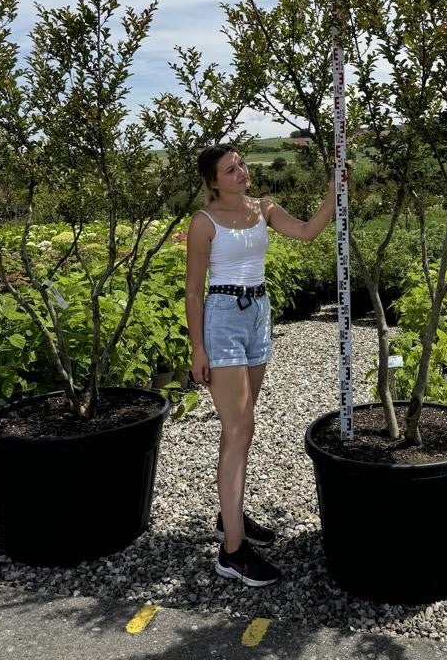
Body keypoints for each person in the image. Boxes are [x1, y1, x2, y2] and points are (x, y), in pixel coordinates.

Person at [186, 143, 337, 586]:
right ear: (213, 181)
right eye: (230, 169)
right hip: (223, 318)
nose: (241, 171)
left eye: (242, 164)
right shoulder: (204, 223)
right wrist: (199, 349)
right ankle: (231, 551)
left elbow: (308, 231)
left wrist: (333, 193)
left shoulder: (263, 208)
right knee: (240, 429)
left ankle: (229, 517)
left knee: (240, 425)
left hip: (258, 315)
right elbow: (194, 291)